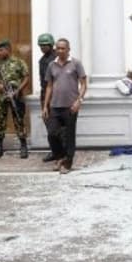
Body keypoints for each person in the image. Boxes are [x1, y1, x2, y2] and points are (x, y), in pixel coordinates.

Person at [41, 38, 87, 174]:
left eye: (63, 48)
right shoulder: (51, 65)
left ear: (68, 49)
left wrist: (79, 101)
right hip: (55, 105)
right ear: (55, 49)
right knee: (52, 134)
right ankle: (60, 157)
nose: (60, 50)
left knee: (69, 135)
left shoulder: (76, 63)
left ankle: (68, 163)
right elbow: (49, 86)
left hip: (70, 106)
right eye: (58, 48)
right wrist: (45, 106)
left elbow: (84, 84)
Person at [0, 39, 30, 160]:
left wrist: (18, 90)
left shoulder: (19, 62)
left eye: (1, 50)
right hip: (1, 97)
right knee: (0, 121)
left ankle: (23, 146)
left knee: (18, 119)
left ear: (8, 50)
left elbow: (26, 77)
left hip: (16, 96)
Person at [36, 33, 56, 154]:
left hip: (55, 96)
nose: (42, 48)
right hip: (45, 94)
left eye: (45, 45)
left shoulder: (55, 59)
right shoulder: (42, 60)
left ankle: (59, 151)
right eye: (40, 45)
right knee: (48, 123)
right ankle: (54, 150)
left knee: (56, 126)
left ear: (51, 44)